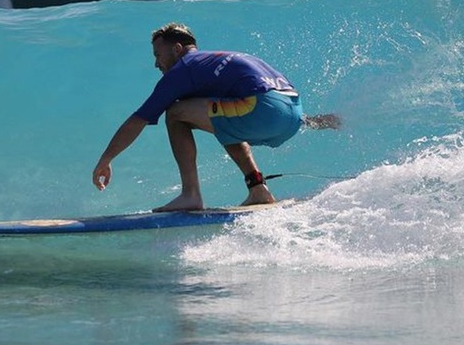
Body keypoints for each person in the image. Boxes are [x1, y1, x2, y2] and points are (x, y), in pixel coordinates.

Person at [92, 22, 324, 211]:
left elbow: (138, 119)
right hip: (293, 113)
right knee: (222, 119)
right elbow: (274, 96)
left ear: (177, 49)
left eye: (158, 54)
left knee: (175, 113)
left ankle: (190, 194)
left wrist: (106, 159)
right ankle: (258, 189)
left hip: (260, 108)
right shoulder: (214, 62)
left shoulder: (185, 68)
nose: (156, 63)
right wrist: (315, 121)